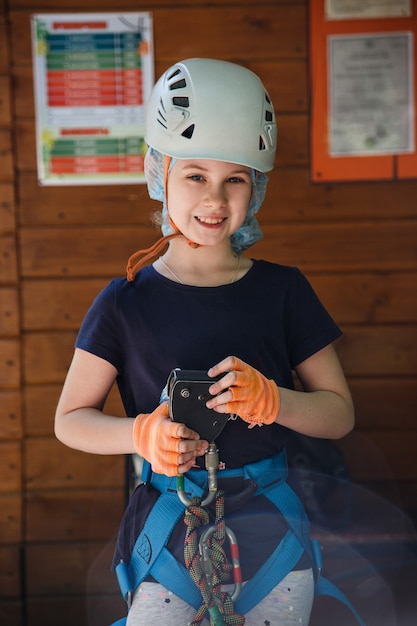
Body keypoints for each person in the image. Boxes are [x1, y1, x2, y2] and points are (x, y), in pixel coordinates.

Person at [55, 58, 355, 625]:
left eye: (234, 179)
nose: (215, 200)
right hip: (166, 538)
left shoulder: (283, 291)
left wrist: (277, 400)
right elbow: (70, 420)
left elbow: (338, 414)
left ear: (256, 186)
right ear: (159, 173)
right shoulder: (123, 302)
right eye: (195, 175)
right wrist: (139, 434)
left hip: (274, 542)